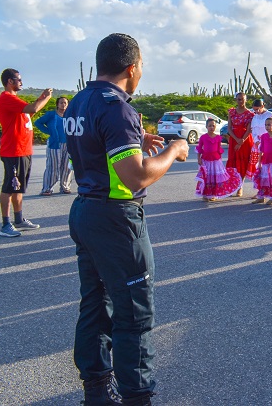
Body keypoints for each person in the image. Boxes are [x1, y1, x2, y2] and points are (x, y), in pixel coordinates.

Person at [65, 33, 189, 406]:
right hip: (117, 218)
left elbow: (97, 141)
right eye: (142, 68)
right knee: (133, 313)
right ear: (132, 67)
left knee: (94, 302)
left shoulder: (80, 101)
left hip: (85, 211)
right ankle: (138, 397)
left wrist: (137, 135)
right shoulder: (117, 106)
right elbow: (135, 176)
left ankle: (97, 391)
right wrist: (173, 149)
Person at [0, 68, 53, 237]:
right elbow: (33, 109)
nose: (21, 82)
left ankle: (19, 219)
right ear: (9, 81)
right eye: (18, 79)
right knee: (9, 187)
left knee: (18, 188)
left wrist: (41, 98)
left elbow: (29, 110)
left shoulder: (14, 99)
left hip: (23, 151)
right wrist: (46, 98)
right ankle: (5, 224)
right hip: (13, 151)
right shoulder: (6, 98)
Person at [195, 118, 243, 201]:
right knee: (207, 177)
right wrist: (199, 159)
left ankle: (213, 194)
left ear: (215, 127)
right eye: (209, 126)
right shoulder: (203, 137)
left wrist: (220, 162)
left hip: (216, 160)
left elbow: (219, 149)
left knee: (215, 178)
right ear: (206, 127)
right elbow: (199, 149)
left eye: (213, 126)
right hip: (206, 160)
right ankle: (205, 194)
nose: (211, 127)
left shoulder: (218, 137)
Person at [35, 96, 73, 196]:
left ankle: (65, 186)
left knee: (67, 167)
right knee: (53, 166)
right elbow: (38, 123)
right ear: (57, 104)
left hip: (69, 144)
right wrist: (49, 131)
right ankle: (47, 188)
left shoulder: (70, 115)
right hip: (55, 144)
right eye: (61, 103)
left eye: (65, 103)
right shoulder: (51, 114)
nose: (63, 105)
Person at [226, 92, 255, 195]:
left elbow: (249, 129)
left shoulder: (250, 114)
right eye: (238, 99)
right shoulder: (232, 112)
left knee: (243, 162)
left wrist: (242, 140)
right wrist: (236, 139)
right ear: (236, 100)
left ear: (246, 100)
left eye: (242, 99)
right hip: (234, 139)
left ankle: (240, 186)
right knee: (233, 163)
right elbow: (229, 127)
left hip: (245, 140)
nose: (240, 101)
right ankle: (234, 185)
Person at [247, 98, 270, 181]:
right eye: (254, 110)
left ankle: (268, 188)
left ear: (262, 106)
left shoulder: (270, 115)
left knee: (267, 166)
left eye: (257, 109)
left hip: (267, 143)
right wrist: (256, 140)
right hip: (257, 144)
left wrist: (264, 141)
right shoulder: (255, 117)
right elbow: (253, 131)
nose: (256, 111)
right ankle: (260, 188)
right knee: (257, 167)